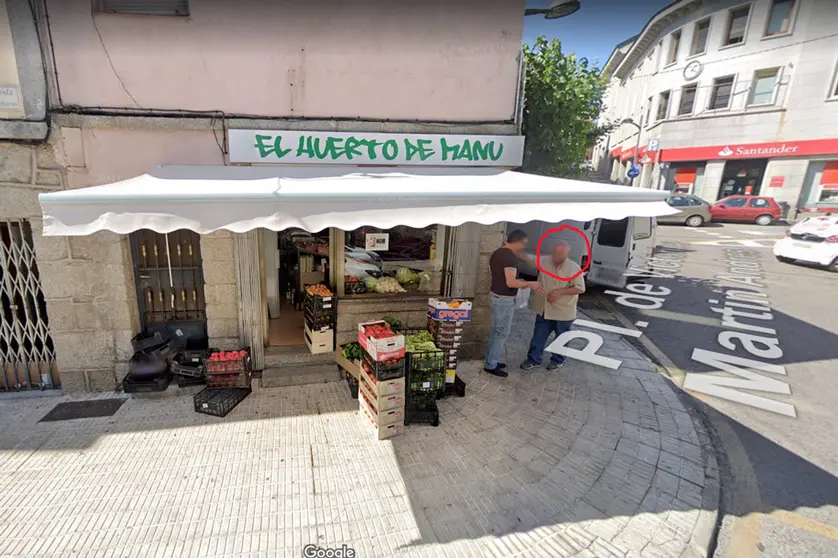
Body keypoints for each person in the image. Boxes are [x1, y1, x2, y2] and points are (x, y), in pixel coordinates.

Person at [484, 229, 544, 377]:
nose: (524, 247)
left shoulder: (497, 252)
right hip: (503, 300)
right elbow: (510, 282)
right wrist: (530, 284)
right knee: (501, 333)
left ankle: (491, 360)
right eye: (524, 244)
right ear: (519, 242)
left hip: (495, 296)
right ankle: (491, 364)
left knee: (496, 331)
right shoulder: (509, 257)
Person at [521, 240, 585, 371]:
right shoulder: (544, 261)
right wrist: (513, 247)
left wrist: (559, 292)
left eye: (560, 253)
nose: (556, 255)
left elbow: (580, 288)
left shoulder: (574, 268)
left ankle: (557, 360)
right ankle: (533, 359)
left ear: (566, 254)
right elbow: (528, 258)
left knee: (562, 338)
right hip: (544, 309)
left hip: (564, 311)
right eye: (555, 252)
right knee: (538, 336)